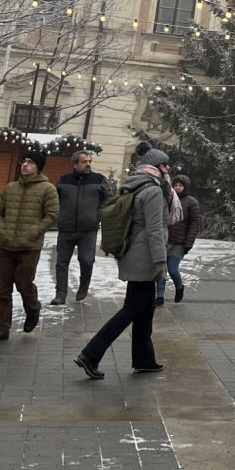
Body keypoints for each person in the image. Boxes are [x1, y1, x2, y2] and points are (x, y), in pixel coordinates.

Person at [74, 150, 170, 378]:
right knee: (132, 309)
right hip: (144, 257)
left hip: (132, 253)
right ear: (155, 167)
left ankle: (144, 359)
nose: (168, 170)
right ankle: (91, 354)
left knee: (145, 309)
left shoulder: (135, 185)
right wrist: (160, 261)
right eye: (165, 165)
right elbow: (155, 229)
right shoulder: (153, 190)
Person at [0, 148, 59, 339]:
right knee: (2, 287)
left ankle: (33, 309)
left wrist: (34, 231)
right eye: (23, 161)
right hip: (4, 244)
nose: (25, 165)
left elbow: (52, 215)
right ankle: (2, 327)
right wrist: (2, 229)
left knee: (24, 283)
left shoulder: (47, 189)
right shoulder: (10, 188)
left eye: (30, 162)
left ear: (38, 167)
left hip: (29, 246)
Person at [52, 149, 113, 304]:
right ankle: (61, 293)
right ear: (75, 164)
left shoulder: (99, 180)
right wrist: (59, 215)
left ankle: (84, 285)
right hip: (66, 228)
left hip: (88, 229)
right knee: (61, 263)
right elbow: (53, 200)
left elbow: (109, 199)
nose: (88, 164)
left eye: (89, 161)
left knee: (86, 261)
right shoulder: (63, 180)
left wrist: (97, 215)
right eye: (84, 161)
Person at [156, 174, 200, 306]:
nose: (178, 187)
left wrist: (188, 243)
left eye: (180, 185)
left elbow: (194, 224)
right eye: (175, 185)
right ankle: (159, 296)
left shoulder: (191, 202)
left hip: (179, 242)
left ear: (185, 187)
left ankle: (179, 286)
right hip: (165, 240)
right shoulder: (168, 199)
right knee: (161, 270)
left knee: (172, 269)